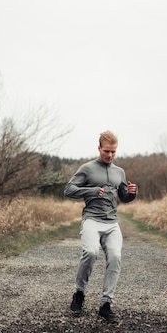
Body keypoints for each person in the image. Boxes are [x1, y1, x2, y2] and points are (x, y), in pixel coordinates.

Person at [64, 130, 138, 322]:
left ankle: (106, 304)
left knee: (115, 256)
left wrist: (132, 193)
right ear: (99, 148)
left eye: (113, 152)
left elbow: (124, 197)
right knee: (90, 252)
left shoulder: (119, 172)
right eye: (106, 151)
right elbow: (69, 190)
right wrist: (92, 191)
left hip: (112, 223)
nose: (110, 155)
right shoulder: (87, 169)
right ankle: (79, 293)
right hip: (92, 219)